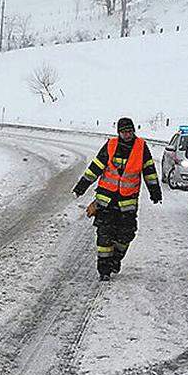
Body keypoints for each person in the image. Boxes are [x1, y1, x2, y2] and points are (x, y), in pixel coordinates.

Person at [72, 117, 162, 281]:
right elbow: (95, 168)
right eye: (124, 132)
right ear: (118, 132)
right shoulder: (110, 146)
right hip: (106, 201)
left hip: (127, 203)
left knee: (126, 235)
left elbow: (149, 171)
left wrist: (155, 191)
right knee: (104, 237)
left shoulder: (141, 147)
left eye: (129, 131)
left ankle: (115, 260)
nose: (127, 135)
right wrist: (81, 186)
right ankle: (104, 270)